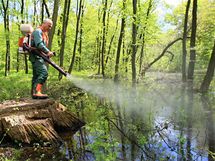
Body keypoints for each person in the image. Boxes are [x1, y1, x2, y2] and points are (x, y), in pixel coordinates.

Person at [29, 18, 54, 99]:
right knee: (44, 73)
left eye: (51, 27)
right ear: (44, 24)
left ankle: (34, 93)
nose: (50, 28)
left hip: (38, 56)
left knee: (36, 76)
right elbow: (39, 44)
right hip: (36, 57)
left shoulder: (43, 33)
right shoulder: (38, 32)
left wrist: (46, 54)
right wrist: (48, 52)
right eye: (49, 26)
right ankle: (37, 92)